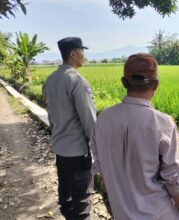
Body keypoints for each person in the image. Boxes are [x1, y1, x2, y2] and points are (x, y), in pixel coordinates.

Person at [90, 53, 179, 220]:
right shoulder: (163, 124)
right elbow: (175, 179)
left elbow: (101, 165)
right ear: (156, 85)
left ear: (124, 82)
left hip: (121, 213)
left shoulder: (103, 119)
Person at [43, 37, 96, 220]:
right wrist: (96, 148)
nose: (84, 55)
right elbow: (89, 120)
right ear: (73, 54)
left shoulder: (50, 80)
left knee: (66, 199)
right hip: (77, 153)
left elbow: (51, 116)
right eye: (82, 51)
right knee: (82, 203)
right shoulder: (77, 81)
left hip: (60, 149)